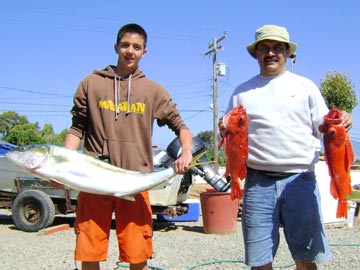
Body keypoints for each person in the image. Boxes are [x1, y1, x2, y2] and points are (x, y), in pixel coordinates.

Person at [218, 24, 353, 270]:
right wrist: (223, 125)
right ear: (256, 54)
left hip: (300, 180)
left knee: (307, 257)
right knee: (259, 260)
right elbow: (227, 131)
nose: (271, 53)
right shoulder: (241, 92)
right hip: (258, 182)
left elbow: (327, 128)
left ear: (287, 53)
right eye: (264, 48)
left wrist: (342, 118)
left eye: (277, 48)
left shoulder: (306, 87)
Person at [64, 23, 193, 270]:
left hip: (136, 181)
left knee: (137, 252)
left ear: (145, 52)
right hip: (94, 178)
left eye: (137, 47)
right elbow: (76, 127)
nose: (130, 51)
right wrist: (65, 167)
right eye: (125, 45)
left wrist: (186, 151)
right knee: (89, 250)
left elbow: (181, 126)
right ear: (116, 47)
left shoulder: (153, 90)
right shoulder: (91, 84)